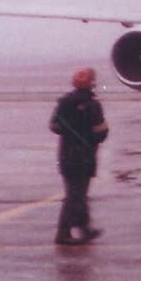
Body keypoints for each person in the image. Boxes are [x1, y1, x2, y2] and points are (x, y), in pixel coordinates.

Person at [50, 67, 110, 245]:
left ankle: (84, 229)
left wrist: (70, 132)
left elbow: (54, 126)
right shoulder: (93, 105)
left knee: (76, 194)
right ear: (92, 83)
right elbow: (102, 133)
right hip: (84, 156)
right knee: (76, 196)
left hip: (66, 155)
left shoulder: (64, 103)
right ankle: (63, 233)